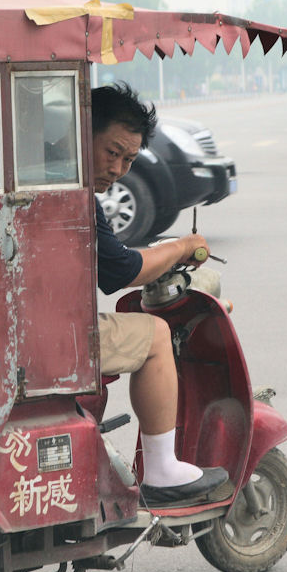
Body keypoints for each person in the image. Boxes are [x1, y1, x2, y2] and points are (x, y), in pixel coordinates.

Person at [90, 83, 228, 507]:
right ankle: (163, 471)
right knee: (153, 335)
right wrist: (183, 248)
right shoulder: (73, 196)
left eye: (128, 160)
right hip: (50, 335)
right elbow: (122, 270)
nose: (117, 169)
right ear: (83, 133)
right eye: (111, 152)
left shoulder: (59, 182)